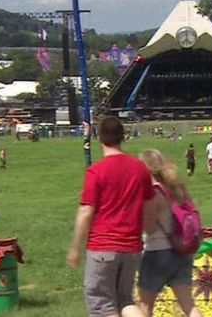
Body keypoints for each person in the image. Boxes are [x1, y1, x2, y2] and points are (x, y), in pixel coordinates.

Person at [66, 116, 156, 317]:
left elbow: (86, 211)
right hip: (132, 246)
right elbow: (149, 205)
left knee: (101, 304)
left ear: (99, 138)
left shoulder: (96, 171)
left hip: (102, 247)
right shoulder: (140, 168)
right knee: (125, 300)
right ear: (123, 137)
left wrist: (75, 248)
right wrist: (149, 233)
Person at [137, 149, 203, 317]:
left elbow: (149, 228)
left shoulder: (154, 191)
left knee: (145, 307)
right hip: (182, 250)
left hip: (157, 253)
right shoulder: (176, 187)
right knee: (188, 304)